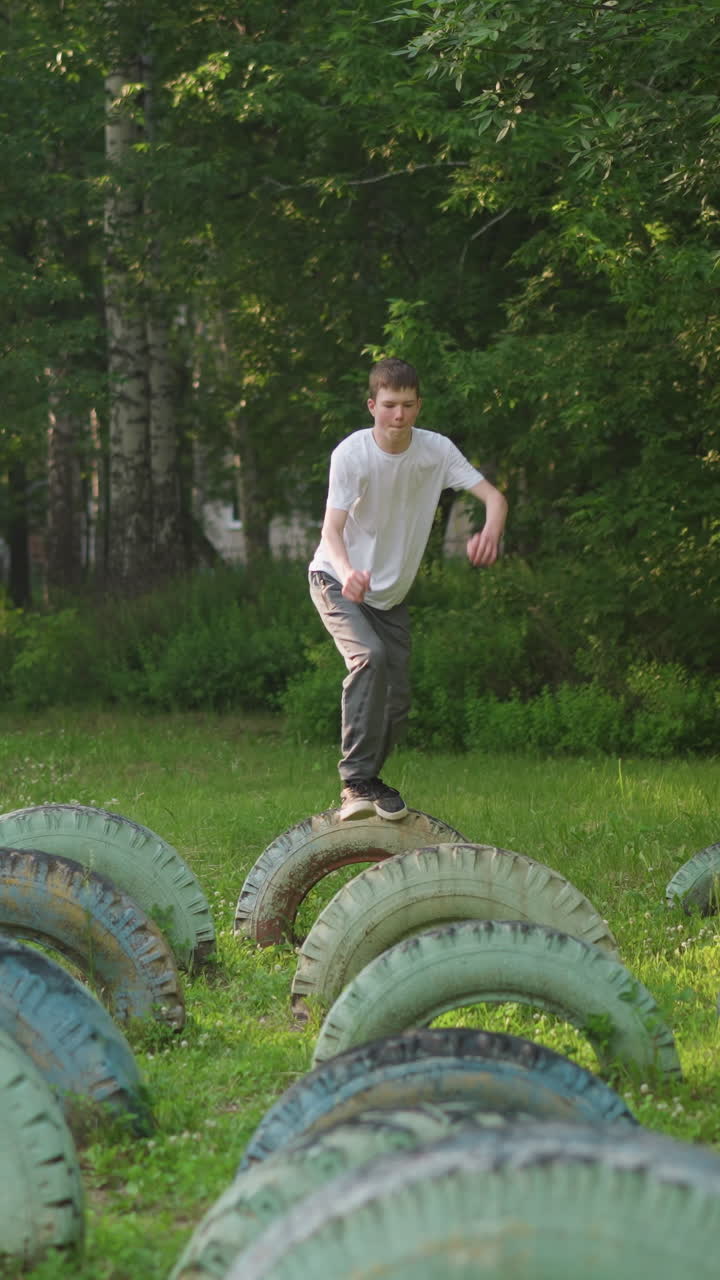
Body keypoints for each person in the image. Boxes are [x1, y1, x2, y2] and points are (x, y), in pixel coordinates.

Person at [308, 356, 508, 822]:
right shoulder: (352, 454)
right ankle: (353, 781)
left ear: (419, 406)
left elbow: (494, 498)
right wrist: (348, 571)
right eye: (390, 405)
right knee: (368, 658)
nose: (399, 416)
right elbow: (332, 530)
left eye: (409, 405)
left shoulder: (436, 451)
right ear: (372, 405)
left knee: (397, 701)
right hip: (336, 580)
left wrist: (491, 529)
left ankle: (371, 783)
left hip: (389, 597)